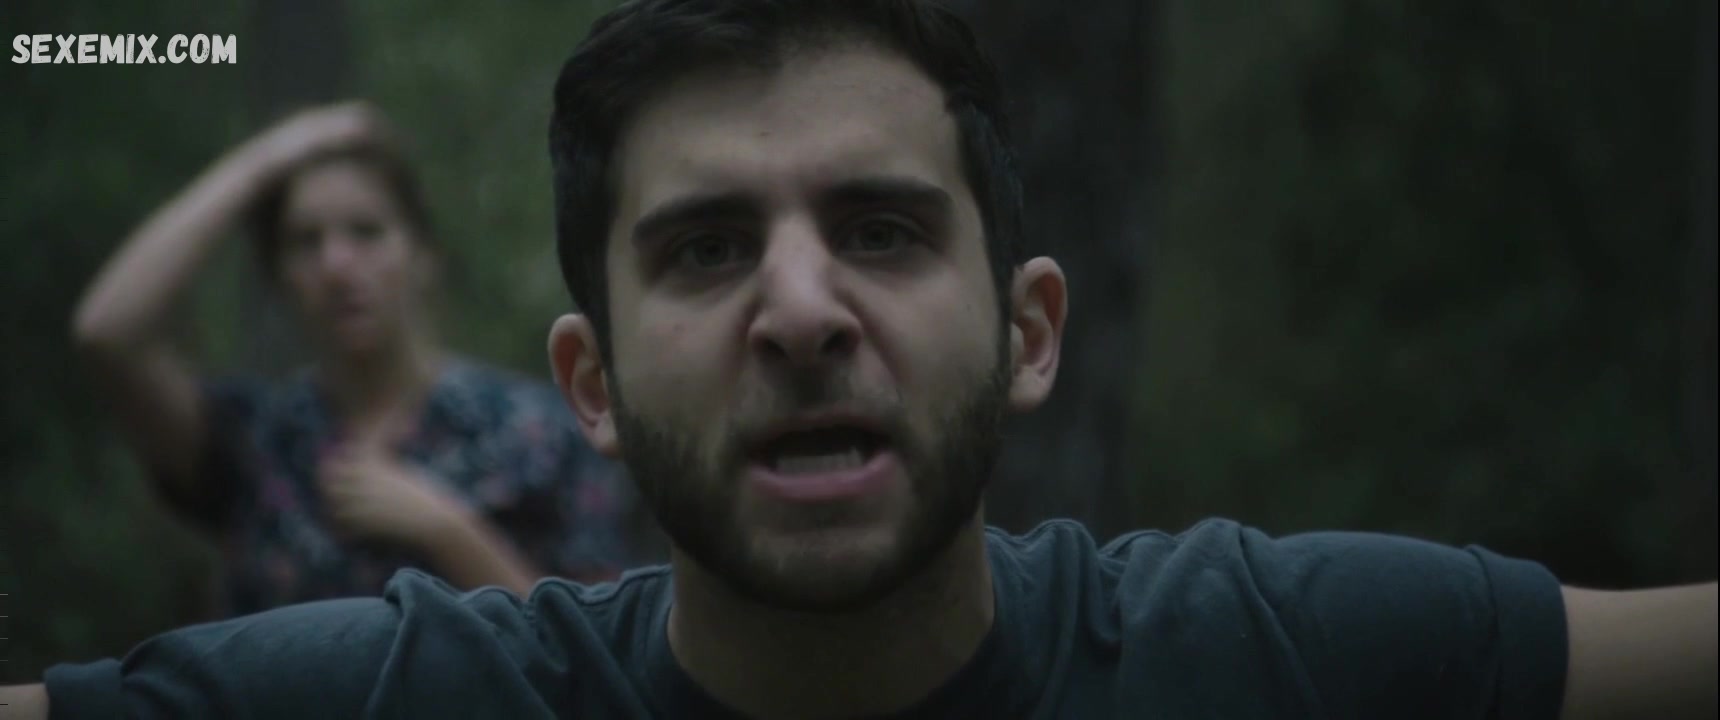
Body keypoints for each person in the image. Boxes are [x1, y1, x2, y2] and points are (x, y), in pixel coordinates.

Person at [5, 1, 1715, 717]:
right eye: (705, 249)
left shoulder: (1258, 654)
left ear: (1030, 332)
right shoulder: (401, 676)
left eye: (884, 229)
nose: (804, 310)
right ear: (595, 383)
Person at [64, 104, 635, 617]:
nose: (336, 265)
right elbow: (108, 333)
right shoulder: (258, 442)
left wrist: (447, 531)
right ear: (277, 275)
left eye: (366, 232)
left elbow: (599, 660)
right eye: (305, 241)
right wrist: (272, 155)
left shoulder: (536, 433)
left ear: (422, 253)